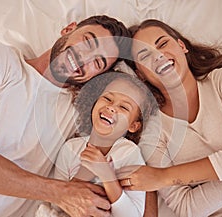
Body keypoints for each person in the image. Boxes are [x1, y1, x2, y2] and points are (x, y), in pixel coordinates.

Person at [0, 15, 131, 217]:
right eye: (87, 42)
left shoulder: (82, 112)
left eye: (98, 62)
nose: (83, 58)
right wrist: (59, 193)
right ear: (68, 29)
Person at [119, 19, 222, 217]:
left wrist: (164, 176)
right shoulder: (151, 133)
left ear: (181, 46)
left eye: (163, 44)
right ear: (140, 74)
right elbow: (187, 208)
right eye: (145, 56)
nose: (159, 56)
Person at [35, 71, 158, 217]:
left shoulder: (128, 153)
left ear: (133, 126)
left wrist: (107, 175)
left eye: (124, 107)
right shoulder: (70, 149)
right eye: (107, 98)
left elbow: (132, 215)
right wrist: (85, 173)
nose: (112, 107)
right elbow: (58, 201)